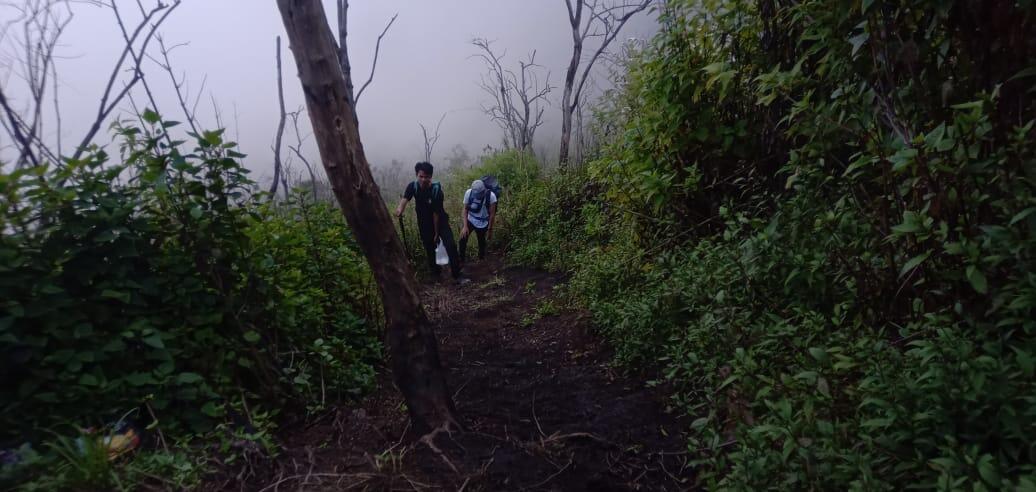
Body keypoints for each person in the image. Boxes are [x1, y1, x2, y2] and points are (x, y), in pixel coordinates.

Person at [395, 162, 466, 283]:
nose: (423, 179)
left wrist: (437, 234)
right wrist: (399, 209)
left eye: (426, 177)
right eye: (421, 176)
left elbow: (436, 214)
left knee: (450, 245)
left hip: (440, 221)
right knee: (429, 248)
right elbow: (405, 199)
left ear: (430, 177)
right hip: (424, 223)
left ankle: (457, 274)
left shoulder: (436, 190)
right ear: (417, 175)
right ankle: (436, 273)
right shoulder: (413, 186)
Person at [459, 179, 497, 264]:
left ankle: (481, 259)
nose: (478, 196)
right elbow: (465, 210)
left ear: (484, 190)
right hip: (470, 220)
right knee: (462, 239)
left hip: (483, 223)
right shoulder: (469, 193)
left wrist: (490, 229)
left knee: (481, 241)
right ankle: (461, 260)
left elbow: (492, 214)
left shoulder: (491, 196)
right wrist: (465, 226)